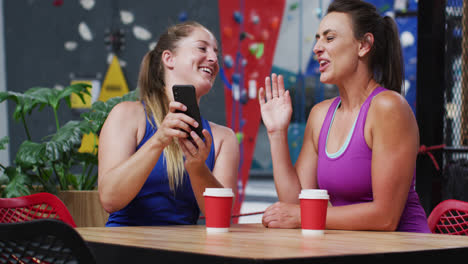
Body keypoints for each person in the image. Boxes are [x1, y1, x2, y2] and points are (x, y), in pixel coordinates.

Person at [259, 0, 430, 232]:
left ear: (364, 45)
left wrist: (302, 216)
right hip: (351, 247)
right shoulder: (320, 115)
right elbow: (296, 205)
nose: (317, 47)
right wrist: (276, 133)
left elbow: (385, 217)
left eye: (329, 38)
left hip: (404, 249)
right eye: (318, 38)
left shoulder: (388, 108)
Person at [98, 21, 239, 226]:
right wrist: (159, 140)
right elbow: (110, 200)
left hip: (185, 252)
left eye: (216, 52)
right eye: (202, 48)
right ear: (169, 58)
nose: (213, 58)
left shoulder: (223, 138)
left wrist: (198, 168)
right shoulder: (127, 115)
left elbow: (222, 219)